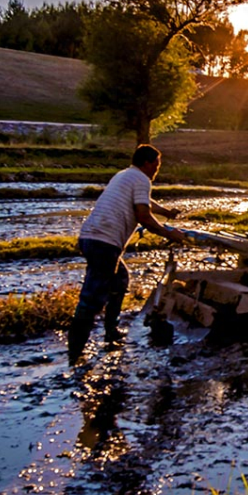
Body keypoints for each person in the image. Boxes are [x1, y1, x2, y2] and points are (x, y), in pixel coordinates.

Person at [67, 144, 187, 363]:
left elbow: (146, 203)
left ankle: (111, 333)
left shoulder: (125, 175)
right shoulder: (142, 179)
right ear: (147, 163)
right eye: (156, 165)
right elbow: (143, 215)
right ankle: (75, 356)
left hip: (89, 238)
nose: (157, 170)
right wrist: (169, 233)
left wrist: (166, 212)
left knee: (120, 280)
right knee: (91, 299)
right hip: (105, 243)